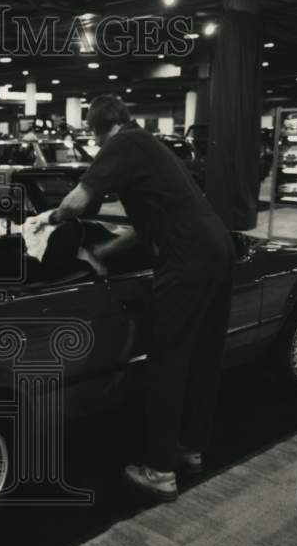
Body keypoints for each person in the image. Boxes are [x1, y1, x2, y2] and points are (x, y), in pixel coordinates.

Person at [42, 94, 235, 501]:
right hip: (217, 249)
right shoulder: (149, 146)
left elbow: (77, 200)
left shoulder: (122, 144)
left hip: (186, 260)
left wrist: (47, 222)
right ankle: (191, 448)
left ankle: (160, 471)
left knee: (167, 361)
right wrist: (99, 252)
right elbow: (143, 230)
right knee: (203, 354)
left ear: (98, 131)